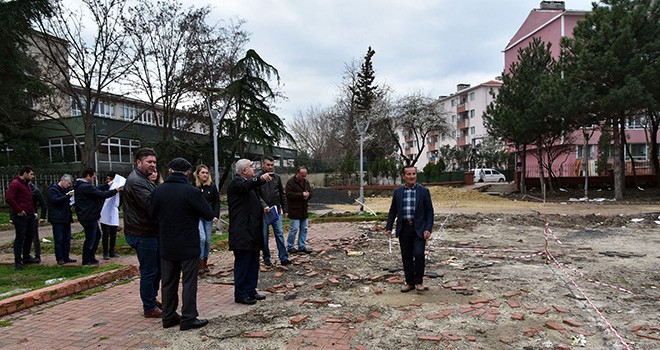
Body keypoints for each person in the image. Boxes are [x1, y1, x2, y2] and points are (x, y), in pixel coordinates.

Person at [149, 157, 215, 331]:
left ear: (169, 171)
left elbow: (151, 214)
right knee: (189, 282)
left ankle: (168, 316)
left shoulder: (158, 191)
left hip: (167, 243)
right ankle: (188, 317)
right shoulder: (191, 191)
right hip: (187, 244)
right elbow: (208, 213)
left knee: (168, 282)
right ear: (187, 172)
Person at [123, 147, 162, 318]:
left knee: (156, 269)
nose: (153, 165)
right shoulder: (137, 182)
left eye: (154, 162)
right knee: (149, 270)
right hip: (142, 233)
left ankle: (151, 299)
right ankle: (149, 307)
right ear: (139, 163)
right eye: (149, 162)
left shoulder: (143, 179)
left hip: (149, 232)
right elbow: (151, 206)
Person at [228, 159, 272, 305]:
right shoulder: (236, 183)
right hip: (242, 231)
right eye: (251, 167)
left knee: (253, 263)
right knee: (243, 264)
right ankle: (240, 293)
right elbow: (247, 185)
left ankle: (250, 290)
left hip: (252, 231)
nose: (254, 169)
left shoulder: (250, 186)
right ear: (243, 171)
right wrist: (259, 179)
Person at [385, 165, 434, 293]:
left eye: (414, 174)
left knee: (418, 254)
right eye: (409, 174)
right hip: (404, 228)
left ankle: (419, 282)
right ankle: (410, 282)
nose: (412, 177)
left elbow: (430, 212)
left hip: (419, 229)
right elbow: (392, 211)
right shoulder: (398, 192)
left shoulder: (423, 191)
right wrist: (388, 227)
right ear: (403, 176)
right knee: (406, 257)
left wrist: (428, 229)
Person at [73, 168, 122, 266]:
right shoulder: (85, 187)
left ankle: (91, 257)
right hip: (88, 216)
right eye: (93, 176)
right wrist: (115, 190)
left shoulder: (81, 185)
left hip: (88, 215)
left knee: (96, 236)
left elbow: (97, 189)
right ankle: (86, 260)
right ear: (88, 176)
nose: (93, 178)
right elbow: (101, 194)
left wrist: (108, 185)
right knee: (91, 238)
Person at [256, 156, 290, 266]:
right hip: (264, 211)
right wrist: (264, 206)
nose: (270, 167)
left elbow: (281, 193)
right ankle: (266, 257)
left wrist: (285, 209)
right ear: (263, 165)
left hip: (276, 210)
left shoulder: (277, 178)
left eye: (272, 165)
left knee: (279, 234)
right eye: (268, 165)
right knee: (264, 236)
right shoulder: (258, 178)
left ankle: (283, 257)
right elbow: (257, 195)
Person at [6, 166, 37, 270]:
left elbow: (28, 199)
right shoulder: (15, 183)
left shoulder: (26, 185)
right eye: (31, 174)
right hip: (20, 216)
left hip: (29, 215)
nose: (32, 176)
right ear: (25, 173)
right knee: (20, 238)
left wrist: (32, 213)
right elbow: (9, 198)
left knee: (29, 236)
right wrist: (19, 210)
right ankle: (17, 261)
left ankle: (26, 256)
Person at [193, 164, 219, 274]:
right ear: (197, 174)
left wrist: (216, 215)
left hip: (209, 217)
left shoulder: (212, 186)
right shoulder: (193, 186)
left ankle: (205, 261)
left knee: (208, 240)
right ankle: (200, 263)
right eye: (202, 172)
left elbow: (217, 202)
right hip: (197, 216)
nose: (205, 174)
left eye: (206, 172)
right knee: (201, 238)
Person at [48, 174, 76, 265]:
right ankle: (59, 258)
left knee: (67, 238)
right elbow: (55, 201)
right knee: (59, 238)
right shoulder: (53, 189)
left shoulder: (65, 190)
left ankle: (66, 256)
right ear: (63, 180)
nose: (68, 185)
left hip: (66, 217)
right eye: (68, 183)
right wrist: (67, 196)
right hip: (57, 218)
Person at [285, 166, 312, 254]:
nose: (304, 177)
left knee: (304, 228)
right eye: (302, 175)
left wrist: (308, 195)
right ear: (297, 174)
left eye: (305, 175)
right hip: (294, 210)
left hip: (304, 209)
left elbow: (311, 192)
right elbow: (288, 195)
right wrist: (301, 194)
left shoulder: (306, 182)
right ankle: (290, 246)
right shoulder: (290, 182)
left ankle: (302, 246)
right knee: (294, 229)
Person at [100, 172, 121, 260]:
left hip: (114, 211)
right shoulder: (104, 187)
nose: (108, 181)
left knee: (113, 233)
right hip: (105, 211)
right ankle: (105, 252)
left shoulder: (119, 188)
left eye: (110, 179)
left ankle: (112, 251)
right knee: (106, 233)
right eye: (107, 179)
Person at [28, 181, 47, 264]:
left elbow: (43, 203)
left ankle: (37, 255)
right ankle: (26, 255)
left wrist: (43, 216)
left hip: (33, 215)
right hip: (23, 215)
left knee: (34, 236)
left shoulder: (35, 190)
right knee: (24, 236)